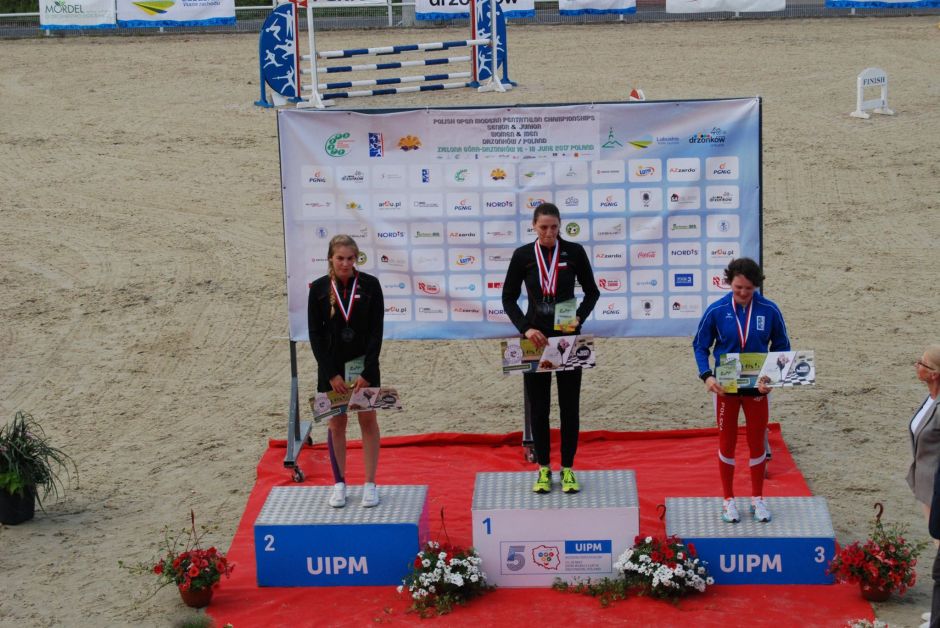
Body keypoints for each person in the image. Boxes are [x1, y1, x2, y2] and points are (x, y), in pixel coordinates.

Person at [502, 203, 599, 494]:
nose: (549, 232)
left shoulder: (574, 252)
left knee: (569, 407)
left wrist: (579, 317)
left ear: (560, 226)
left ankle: (567, 468)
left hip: (568, 336)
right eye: (543, 227)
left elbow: (592, 291)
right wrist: (525, 328)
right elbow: (508, 298)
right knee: (539, 407)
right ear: (534, 226)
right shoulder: (522, 255)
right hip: (535, 339)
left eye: (554, 227)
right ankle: (543, 468)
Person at [692, 257, 790, 523]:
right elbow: (700, 346)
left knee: (757, 442)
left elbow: (782, 346)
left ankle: (757, 498)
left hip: (758, 387)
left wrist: (772, 378)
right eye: (738, 288)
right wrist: (707, 376)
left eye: (748, 288)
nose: (743, 293)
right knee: (728, 442)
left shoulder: (769, 310)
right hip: (726, 388)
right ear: (729, 283)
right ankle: (728, 500)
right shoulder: (716, 310)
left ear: (756, 285)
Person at [308, 235, 385, 508]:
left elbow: (376, 331)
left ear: (357, 258)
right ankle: (339, 483)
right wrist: (331, 374)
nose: (345, 263)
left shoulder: (371, 285)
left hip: (364, 367)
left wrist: (368, 370)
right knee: (336, 424)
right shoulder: (318, 288)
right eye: (340, 258)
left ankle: (370, 484)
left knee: (368, 421)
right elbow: (315, 335)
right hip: (331, 370)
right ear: (330, 258)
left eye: (350, 258)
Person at [907, 346, 940, 628]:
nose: (917, 365)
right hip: (925, 483)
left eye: (923, 363)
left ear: (935, 374)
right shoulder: (930, 398)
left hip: (936, 488)